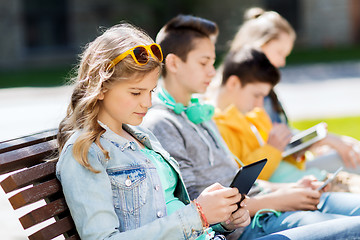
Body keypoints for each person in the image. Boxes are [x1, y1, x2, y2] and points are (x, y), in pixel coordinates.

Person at [142, 14, 360, 240]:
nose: (212, 71)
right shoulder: (162, 123)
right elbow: (194, 206)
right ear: (174, 63)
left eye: (212, 62)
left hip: (270, 208)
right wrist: (281, 199)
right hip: (253, 223)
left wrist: (289, 189)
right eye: (203, 62)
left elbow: (238, 181)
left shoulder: (200, 113)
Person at [55, 23, 252, 240]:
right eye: (136, 93)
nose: (148, 103)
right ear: (101, 88)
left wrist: (221, 220)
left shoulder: (143, 137)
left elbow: (172, 210)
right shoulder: (86, 152)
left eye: (151, 91)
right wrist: (197, 215)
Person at [228, 7, 360, 175]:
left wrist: (316, 143)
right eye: (279, 53)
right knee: (353, 157)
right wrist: (322, 140)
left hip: (283, 167)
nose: (282, 62)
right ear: (257, 48)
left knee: (351, 151)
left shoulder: (266, 92)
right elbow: (264, 147)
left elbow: (281, 136)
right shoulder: (241, 93)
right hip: (277, 175)